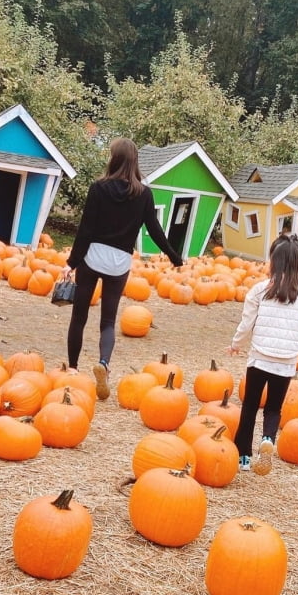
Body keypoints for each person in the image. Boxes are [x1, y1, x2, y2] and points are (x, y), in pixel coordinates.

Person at [62, 137, 183, 399]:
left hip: (92, 256)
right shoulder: (143, 194)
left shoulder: (98, 188)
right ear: (134, 162)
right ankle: (104, 363)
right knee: (108, 320)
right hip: (119, 262)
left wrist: (71, 263)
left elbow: (86, 230)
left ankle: (72, 369)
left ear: (113, 159)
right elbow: (155, 230)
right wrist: (174, 256)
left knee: (79, 317)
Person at [226, 234, 298, 475]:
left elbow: (246, 323)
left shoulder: (259, 290)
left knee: (249, 406)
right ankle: (268, 438)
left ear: (273, 262)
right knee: (273, 408)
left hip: (260, 357)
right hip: (287, 361)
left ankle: (243, 458)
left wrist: (236, 344)